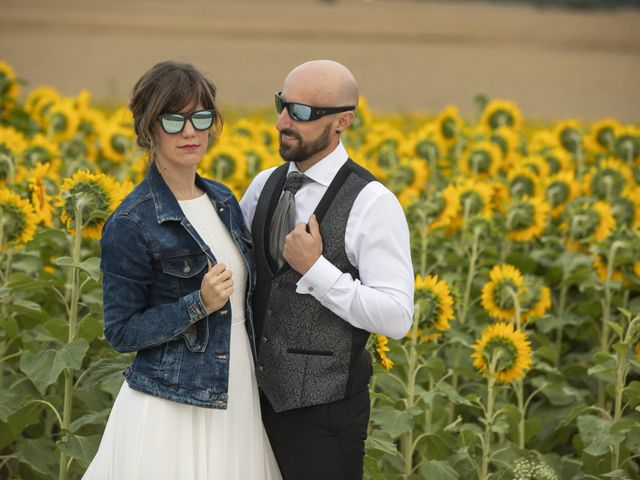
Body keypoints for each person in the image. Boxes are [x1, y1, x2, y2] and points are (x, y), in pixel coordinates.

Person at [83, 61, 281, 480]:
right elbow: (121, 332)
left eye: (201, 118)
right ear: (149, 129)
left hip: (236, 389)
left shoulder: (224, 200)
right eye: (174, 120)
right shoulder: (131, 223)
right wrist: (198, 304)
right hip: (172, 405)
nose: (190, 132)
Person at [240, 60, 415, 479]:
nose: (283, 121)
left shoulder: (373, 203)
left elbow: (397, 316)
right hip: (248, 406)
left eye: (301, 113)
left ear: (343, 121)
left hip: (324, 417)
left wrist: (316, 270)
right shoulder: (263, 186)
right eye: (282, 104)